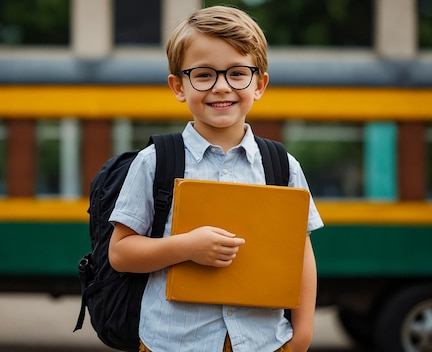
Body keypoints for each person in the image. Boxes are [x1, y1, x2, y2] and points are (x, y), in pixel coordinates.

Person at [108, 5, 323, 352]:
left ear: (260, 84)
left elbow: (301, 255)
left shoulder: (281, 166)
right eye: (204, 75)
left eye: (238, 73)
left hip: (264, 343)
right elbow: (120, 253)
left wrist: (302, 335)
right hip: (173, 344)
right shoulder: (156, 162)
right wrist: (187, 247)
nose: (222, 87)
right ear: (179, 86)